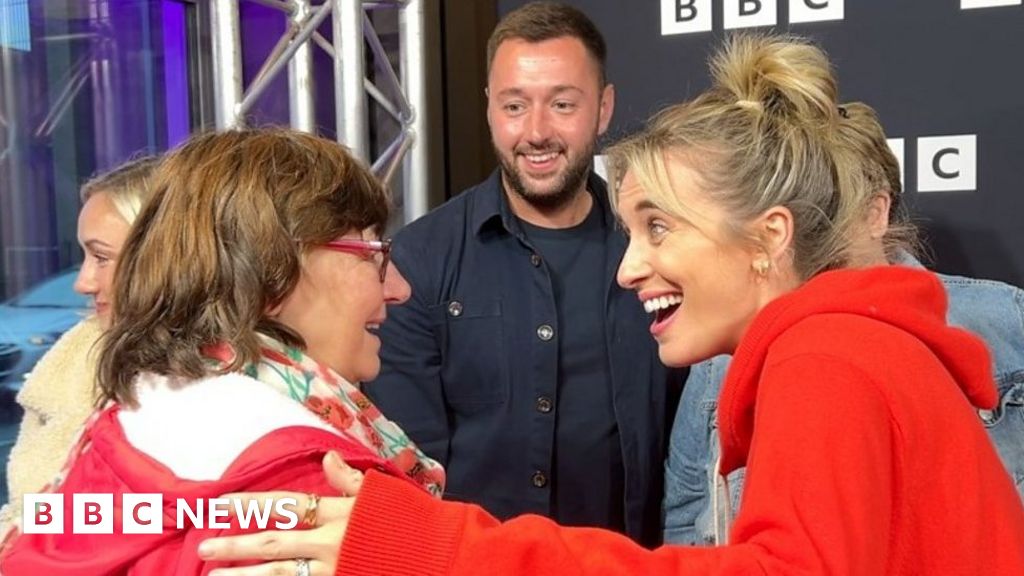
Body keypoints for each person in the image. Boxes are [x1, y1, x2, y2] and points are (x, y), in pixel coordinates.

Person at [198, 34, 1024, 575]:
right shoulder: (854, 346)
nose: (631, 269)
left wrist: (433, 545)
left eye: (658, 227)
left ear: (767, 238)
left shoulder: (829, 359)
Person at [0, 128, 443, 574]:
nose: (398, 289)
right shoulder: (303, 488)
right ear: (274, 269)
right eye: (371, 253)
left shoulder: (126, 422)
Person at [363, 0, 682, 545]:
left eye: (562, 104)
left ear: (603, 108)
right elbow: (409, 474)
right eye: (515, 106)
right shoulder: (418, 262)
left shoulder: (663, 258)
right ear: (490, 108)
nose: (536, 132)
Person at [662, 101, 1024, 545]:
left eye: (826, 211)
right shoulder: (726, 351)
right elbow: (687, 514)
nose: (808, 235)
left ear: (877, 212)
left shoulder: (1005, 317)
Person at [1, 156, 158, 526]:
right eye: (84, 257)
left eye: (102, 258)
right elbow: (31, 512)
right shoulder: (79, 352)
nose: (82, 283)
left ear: (165, 255)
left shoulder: (235, 380)